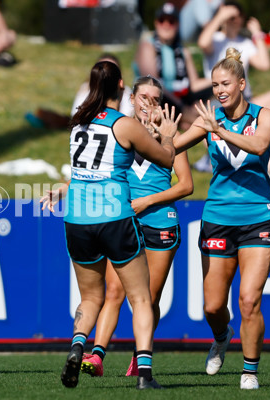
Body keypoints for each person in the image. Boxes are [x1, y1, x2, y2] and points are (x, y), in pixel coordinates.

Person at [41, 61, 180, 390]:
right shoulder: (124, 125)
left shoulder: (78, 123)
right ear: (122, 87)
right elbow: (166, 159)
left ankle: (78, 347)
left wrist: (63, 188)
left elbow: (82, 173)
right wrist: (171, 138)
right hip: (114, 218)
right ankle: (144, 373)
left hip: (77, 220)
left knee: (90, 298)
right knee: (141, 298)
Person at [173, 48, 270, 390]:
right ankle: (222, 336)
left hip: (258, 217)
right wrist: (156, 133)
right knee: (213, 306)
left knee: (249, 300)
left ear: (241, 84)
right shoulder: (207, 120)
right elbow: (170, 149)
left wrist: (218, 129)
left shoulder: (264, 115)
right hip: (217, 217)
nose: (219, 90)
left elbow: (260, 146)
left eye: (225, 83)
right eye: (215, 84)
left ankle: (249, 371)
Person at [79, 76, 194, 378]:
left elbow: (186, 186)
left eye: (155, 99)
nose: (148, 104)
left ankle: (139, 355)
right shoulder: (120, 130)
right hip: (124, 221)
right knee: (114, 291)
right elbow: (95, 173)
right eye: (144, 97)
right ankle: (97, 356)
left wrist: (147, 202)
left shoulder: (170, 134)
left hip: (159, 223)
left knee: (147, 298)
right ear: (132, 98)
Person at [196, 1, 270, 181]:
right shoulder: (215, 39)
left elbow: (265, 64)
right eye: (231, 17)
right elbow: (202, 42)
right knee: (266, 147)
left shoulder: (245, 42)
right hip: (222, 102)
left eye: (237, 17)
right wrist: (221, 16)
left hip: (247, 100)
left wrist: (258, 34)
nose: (233, 20)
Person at [135, 2, 212, 129]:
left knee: (216, 88)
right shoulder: (148, 45)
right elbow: (151, 82)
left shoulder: (182, 50)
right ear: (156, 23)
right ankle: (193, 119)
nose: (166, 25)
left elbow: (194, 84)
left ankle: (186, 120)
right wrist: (182, 107)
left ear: (177, 25)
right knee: (154, 91)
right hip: (159, 100)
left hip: (181, 98)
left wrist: (216, 82)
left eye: (171, 21)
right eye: (162, 20)